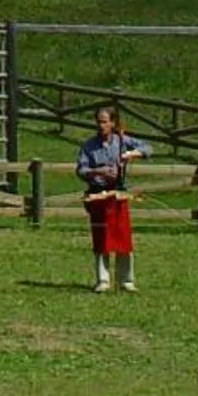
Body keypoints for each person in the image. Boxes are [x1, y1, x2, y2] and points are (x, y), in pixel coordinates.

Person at [76, 103, 149, 293]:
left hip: (118, 194)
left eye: (105, 122)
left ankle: (126, 280)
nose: (101, 126)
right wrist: (96, 171)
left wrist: (131, 154)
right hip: (98, 195)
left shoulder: (122, 141)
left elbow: (148, 148)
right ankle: (103, 280)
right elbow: (81, 170)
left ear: (113, 123)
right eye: (99, 122)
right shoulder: (89, 146)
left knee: (123, 237)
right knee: (101, 238)